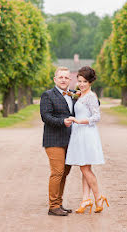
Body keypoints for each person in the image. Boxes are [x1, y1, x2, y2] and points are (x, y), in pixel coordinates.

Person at [65, 66, 109, 214]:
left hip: (86, 134)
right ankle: (85, 199)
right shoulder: (81, 94)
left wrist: (78, 121)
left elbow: (96, 117)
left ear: (90, 82)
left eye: (84, 81)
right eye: (79, 81)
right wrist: (75, 93)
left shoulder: (91, 96)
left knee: (84, 168)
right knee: (85, 168)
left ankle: (98, 197)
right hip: (79, 134)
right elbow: (70, 94)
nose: (81, 84)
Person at [40, 67, 76, 216]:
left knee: (65, 173)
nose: (63, 80)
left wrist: (85, 92)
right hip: (53, 140)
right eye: (60, 77)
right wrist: (63, 122)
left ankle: (59, 204)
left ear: (70, 80)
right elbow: (46, 117)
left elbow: (95, 102)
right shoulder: (48, 95)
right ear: (55, 80)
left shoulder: (73, 95)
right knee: (57, 172)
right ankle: (53, 206)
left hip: (70, 140)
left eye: (66, 78)